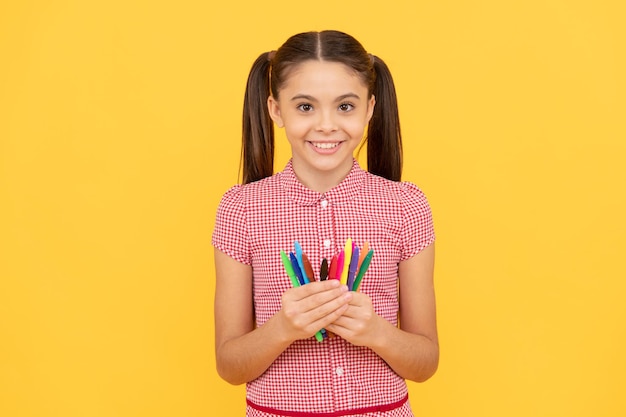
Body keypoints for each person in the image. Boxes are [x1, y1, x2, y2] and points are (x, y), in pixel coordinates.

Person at [212, 30, 438, 417]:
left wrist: (376, 331)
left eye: (345, 107)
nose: (326, 125)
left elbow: (426, 362)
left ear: (370, 109)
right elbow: (230, 366)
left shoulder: (406, 206)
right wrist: (283, 327)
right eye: (305, 107)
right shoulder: (241, 209)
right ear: (276, 110)